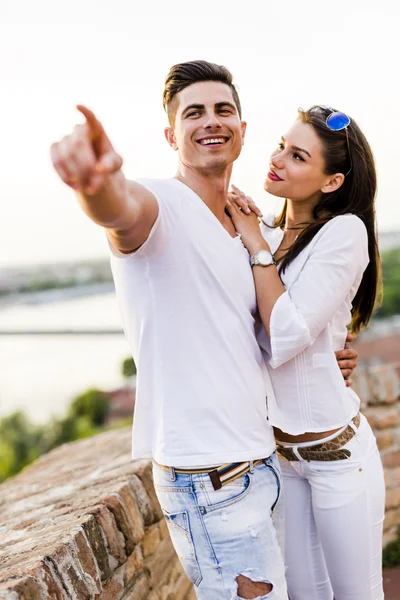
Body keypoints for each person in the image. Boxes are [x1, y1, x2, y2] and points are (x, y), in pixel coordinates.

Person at [50, 62, 356, 600]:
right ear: (172, 135)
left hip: (259, 467)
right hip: (209, 483)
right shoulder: (159, 205)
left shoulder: (246, 228)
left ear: (242, 128)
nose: (211, 121)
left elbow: (267, 335)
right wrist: (94, 185)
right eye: (194, 112)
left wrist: (326, 360)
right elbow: (120, 209)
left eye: (223, 110)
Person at [226, 105, 385, 600]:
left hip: (338, 457)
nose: (277, 159)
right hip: (282, 459)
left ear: (332, 181)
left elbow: (288, 336)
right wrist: (254, 237)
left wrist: (253, 241)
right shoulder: (265, 237)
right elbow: (245, 335)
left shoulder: (342, 233)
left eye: (297, 156)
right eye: (281, 145)